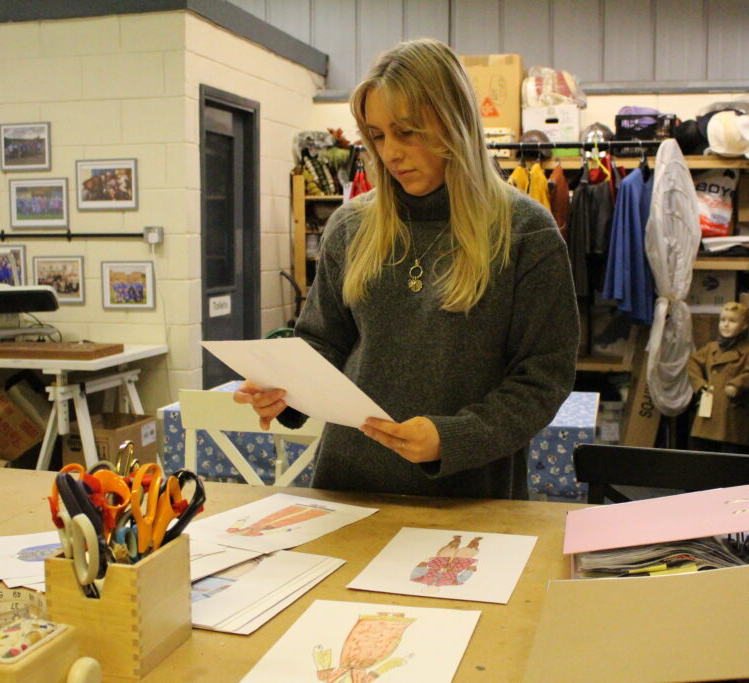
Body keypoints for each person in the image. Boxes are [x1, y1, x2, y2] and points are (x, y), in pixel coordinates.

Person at [234, 38, 579, 499]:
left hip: (470, 495)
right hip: (349, 488)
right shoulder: (351, 226)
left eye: (407, 131)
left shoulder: (524, 232)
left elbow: (543, 377)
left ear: (454, 123)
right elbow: (323, 340)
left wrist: (452, 438)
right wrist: (284, 388)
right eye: (377, 135)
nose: (390, 152)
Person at [687, 301, 749, 453]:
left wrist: (738, 383)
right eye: (723, 320)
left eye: (732, 321)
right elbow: (692, 363)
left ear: (744, 326)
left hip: (732, 416)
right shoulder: (712, 348)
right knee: (702, 452)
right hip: (708, 410)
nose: (725, 325)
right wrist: (699, 384)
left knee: (731, 458)